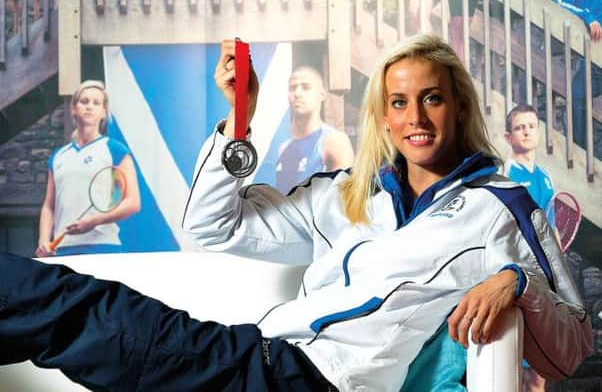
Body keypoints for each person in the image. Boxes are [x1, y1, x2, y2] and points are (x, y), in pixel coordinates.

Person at [0, 35, 592, 392]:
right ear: (383, 117)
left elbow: (571, 348)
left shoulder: (502, 208)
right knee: (63, 307)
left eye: (432, 98)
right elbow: (213, 226)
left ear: (458, 106)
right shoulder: (350, 193)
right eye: (399, 101)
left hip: (312, 382)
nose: (417, 116)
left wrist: (515, 280)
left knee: (68, 307)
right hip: (257, 360)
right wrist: (240, 125)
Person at [35, 80, 140, 257]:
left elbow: (133, 203)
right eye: (84, 101)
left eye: (96, 103)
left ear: (104, 113)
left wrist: (95, 221)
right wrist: (44, 240)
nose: (89, 107)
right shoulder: (58, 156)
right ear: (73, 109)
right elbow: (48, 206)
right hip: (62, 251)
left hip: (104, 248)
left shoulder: (115, 150)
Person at [502, 104, 554, 392]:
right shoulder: (504, 174)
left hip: (542, 280)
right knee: (511, 371)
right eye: (520, 127)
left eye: (531, 126)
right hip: (516, 278)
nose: (526, 131)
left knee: (537, 374)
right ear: (509, 136)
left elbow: (552, 230)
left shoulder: (546, 178)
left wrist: (556, 275)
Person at [275, 66, 354, 193]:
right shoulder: (282, 147)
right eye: (292, 88)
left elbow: (344, 197)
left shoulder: (334, 142)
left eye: (306, 87)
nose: (297, 93)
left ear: (322, 94)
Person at [554, 0, 602, 150]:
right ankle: (580, 151)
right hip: (593, 58)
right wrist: (588, 17)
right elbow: (559, 2)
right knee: (577, 95)